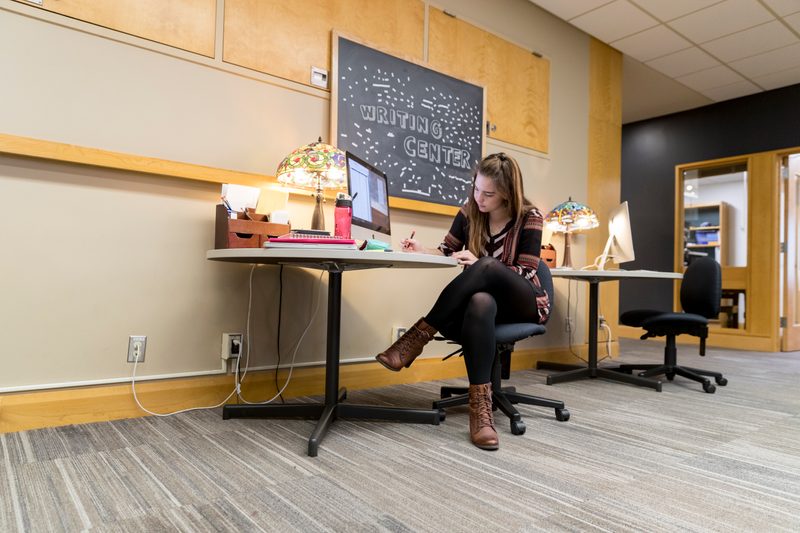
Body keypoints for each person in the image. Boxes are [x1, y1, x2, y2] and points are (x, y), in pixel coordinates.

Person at [375, 152, 551, 451]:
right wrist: (422, 249)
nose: (479, 198)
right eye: (476, 189)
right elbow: (446, 250)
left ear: (507, 194)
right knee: (480, 301)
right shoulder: (470, 210)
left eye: (489, 194)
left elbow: (526, 271)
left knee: (486, 267)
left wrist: (481, 263)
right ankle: (481, 413)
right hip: (488, 306)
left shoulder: (529, 216)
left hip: (526, 301)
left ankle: (417, 337)